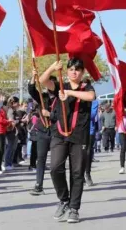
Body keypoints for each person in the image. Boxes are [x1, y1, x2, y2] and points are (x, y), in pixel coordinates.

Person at [39, 58, 96, 224]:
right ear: (67, 71)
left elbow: (91, 97)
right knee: (55, 167)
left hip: (79, 135)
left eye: (77, 70)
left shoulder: (87, 87)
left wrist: (70, 93)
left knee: (77, 173)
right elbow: (43, 81)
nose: (74, 72)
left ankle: (74, 208)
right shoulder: (60, 86)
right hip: (60, 134)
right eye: (71, 69)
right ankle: (64, 199)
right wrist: (52, 67)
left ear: (82, 72)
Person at [28, 72, 56, 195]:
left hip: (57, 131)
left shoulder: (61, 97)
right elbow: (31, 89)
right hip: (42, 131)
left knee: (57, 162)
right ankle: (38, 185)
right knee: (41, 159)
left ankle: (61, 186)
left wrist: (51, 115)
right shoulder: (43, 97)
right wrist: (33, 77)